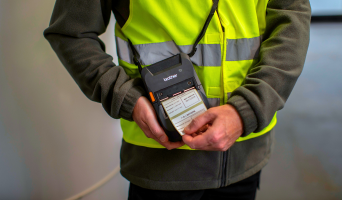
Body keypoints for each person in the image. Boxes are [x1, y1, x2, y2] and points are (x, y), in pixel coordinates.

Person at [44, 0, 311, 199]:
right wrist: (125, 98)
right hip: (161, 163)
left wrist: (247, 110)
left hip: (244, 155)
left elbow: (291, 16)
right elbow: (70, 33)